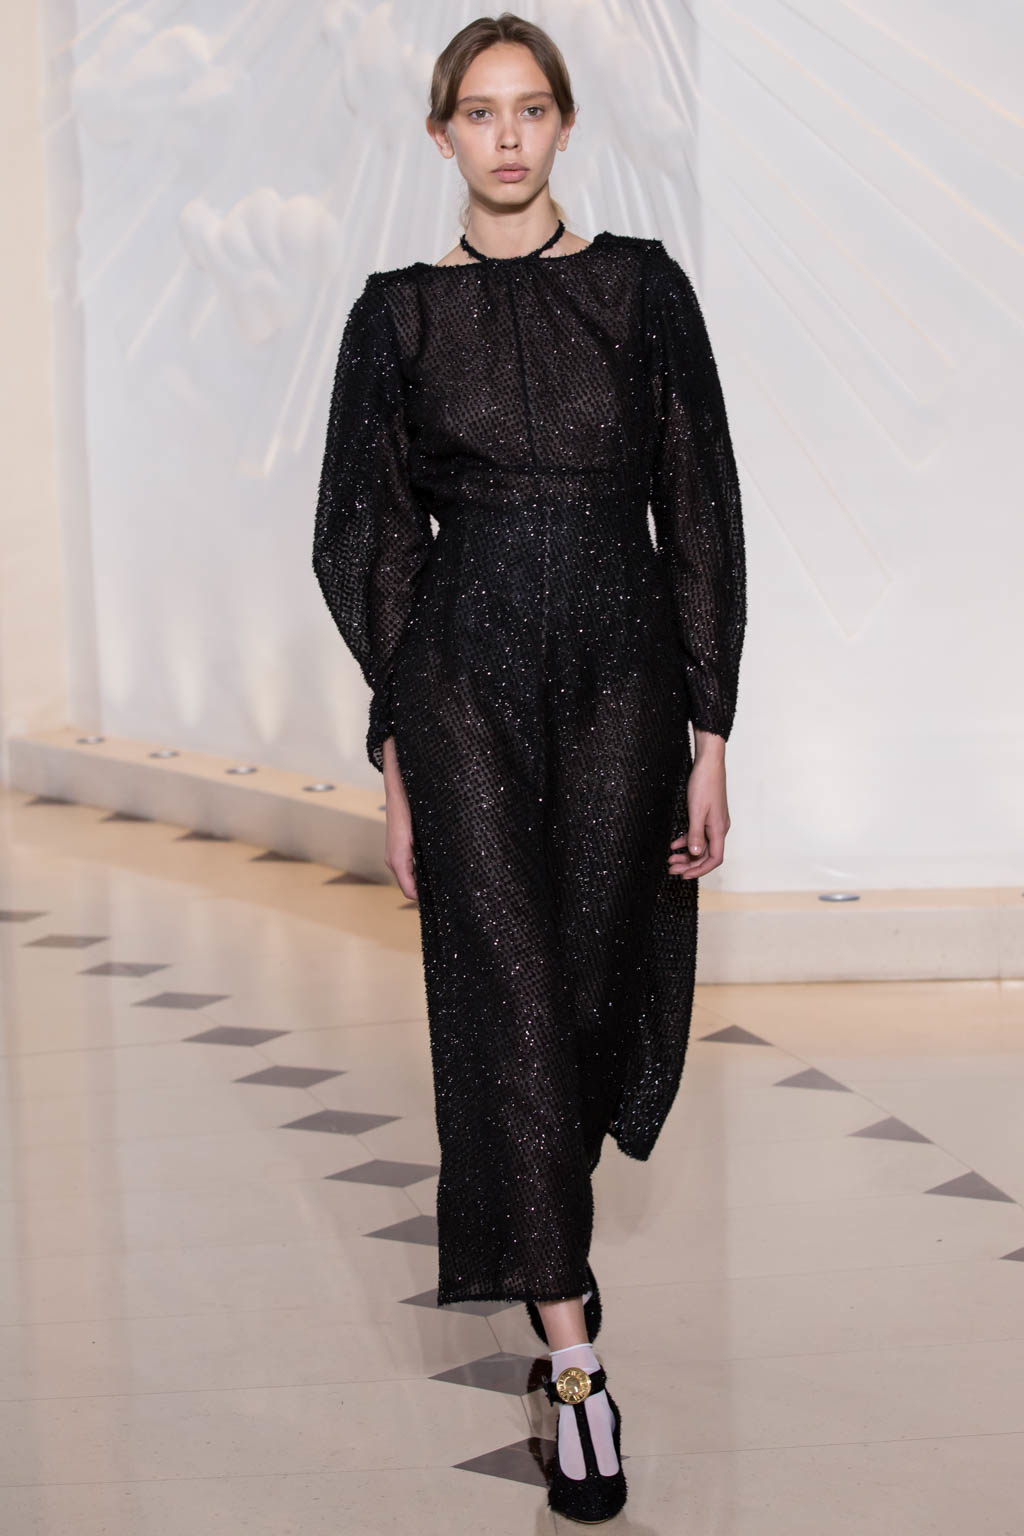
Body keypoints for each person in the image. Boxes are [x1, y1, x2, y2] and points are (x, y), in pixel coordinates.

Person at [312, 11, 746, 1523]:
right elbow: (366, 540)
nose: (506, 135)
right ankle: (575, 1366)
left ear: (564, 126)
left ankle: (550, 1263)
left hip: (626, 685)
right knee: (504, 1004)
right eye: (479, 112)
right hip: (462, 693)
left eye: (530, 108)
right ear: (440, 135)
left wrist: (712, 731)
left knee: (587, 997)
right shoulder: (397, 318)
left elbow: (700, 505)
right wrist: (398, 754)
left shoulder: (642, 290)